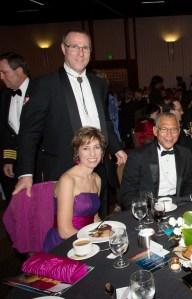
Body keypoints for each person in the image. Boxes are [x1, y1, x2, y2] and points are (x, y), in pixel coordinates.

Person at [13, 29, 126, 216]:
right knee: (68, 228)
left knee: (99, 220)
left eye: (86, 48)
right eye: (75, 47)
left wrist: (116, 147)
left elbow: (103, 119)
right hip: (63, 167)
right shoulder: (45, 85)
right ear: (63, 49)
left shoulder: (99, 83)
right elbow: (29, 132)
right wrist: (25, 173)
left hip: (99, 166)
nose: (81, 53)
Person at [43, 127, 105, 252]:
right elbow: (64, 231)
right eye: (86, 148)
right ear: (77, 152)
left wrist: (108, 232)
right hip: (65, 244)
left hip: (87, 239)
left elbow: (94, 217)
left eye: (97, 147)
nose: (92, 154)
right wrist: (94, 242)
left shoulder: (97, 179)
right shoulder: (68, 180)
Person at [119, 112, 192, 209]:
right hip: (149, 208)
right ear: (155, 131)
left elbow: (190, 187)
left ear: (179, 131)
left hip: (178, 205)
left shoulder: (185, 154)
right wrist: (145, 209)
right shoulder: (138, 156)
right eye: (164, 129)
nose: (169, 135)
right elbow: (127, 195)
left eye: (174, 129)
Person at [0, 52, 31, 201]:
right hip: (18, 164)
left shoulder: (40, 91)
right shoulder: (5, 97)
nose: (1, 77)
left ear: (19, 71)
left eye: (4, 72)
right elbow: (8, 132)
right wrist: (9, 159)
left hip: (39, 163)